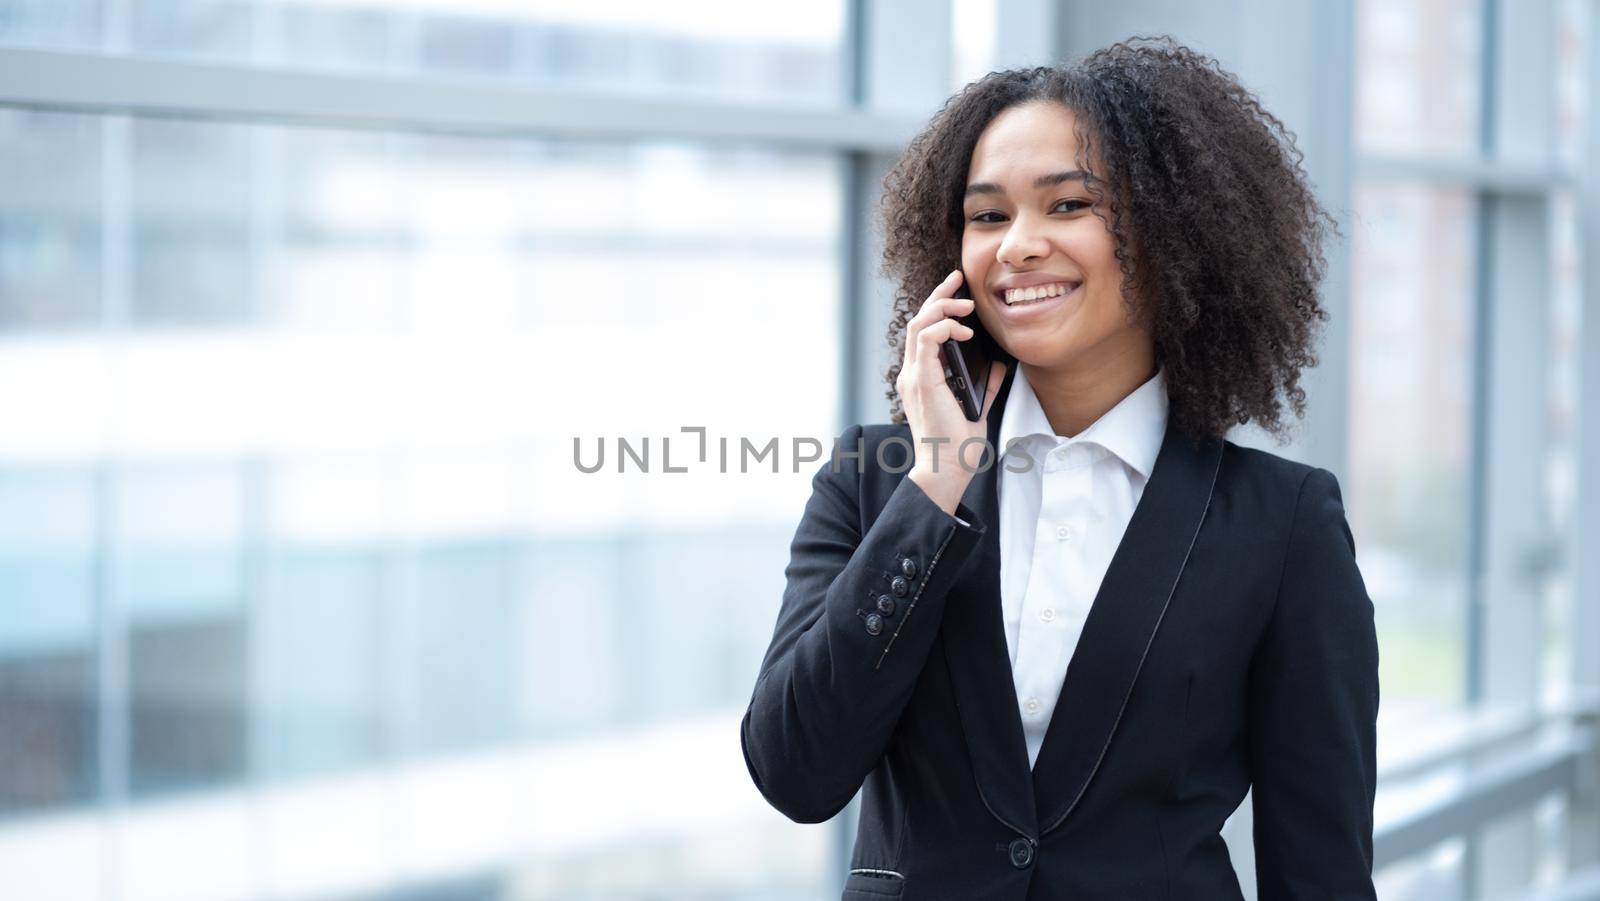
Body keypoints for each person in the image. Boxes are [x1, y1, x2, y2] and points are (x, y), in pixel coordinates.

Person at [740, 36, 1378, 900]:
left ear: (1172, 234)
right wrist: (936, 485)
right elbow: (795, 770)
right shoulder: (875, 479)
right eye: (989, 216)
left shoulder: (1283, 523)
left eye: (1069, 204)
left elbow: (1321, 869)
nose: (1018, 247)